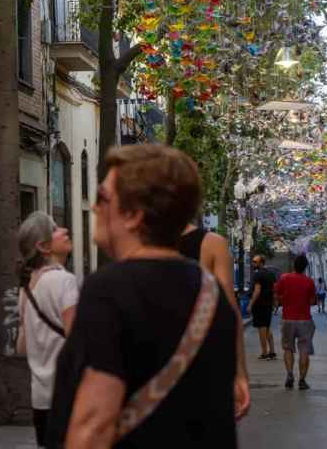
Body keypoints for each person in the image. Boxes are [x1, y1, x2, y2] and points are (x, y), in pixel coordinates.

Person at [47, 144, 238, 448]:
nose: (95, 208)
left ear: (134, 215)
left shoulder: (110, 290)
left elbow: (93, 427)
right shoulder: (211, 292)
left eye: (102, 198)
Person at [17, 212, 79, 448]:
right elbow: (78, 344)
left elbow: (21, 347)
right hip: (68, 395)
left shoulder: (27, 288)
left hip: (41, 399)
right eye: (54, 229)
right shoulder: (64, 281)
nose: (63, 230)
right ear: (43, 247)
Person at [179, 224, 251, 419]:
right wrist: (239, 372)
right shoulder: (211, 244)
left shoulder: (133, 237)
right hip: (199, 357)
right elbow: (228, 310)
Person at [276, 254, 317, 390]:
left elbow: (277, 295)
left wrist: (284, 300)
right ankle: (302, 380)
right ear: (305, 267)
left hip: (287, 319)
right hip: (304, 319)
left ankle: (289, 375)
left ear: (294, 265)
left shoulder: (284, 278)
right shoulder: (309, 281)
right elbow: (312, 301)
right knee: (304, 351)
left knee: (288, 348)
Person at [248, 255, 278, 360]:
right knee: (267, 327)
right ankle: (272, 351)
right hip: (268, 305)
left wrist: (250, 304)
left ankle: (264, 352)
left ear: (261, 263)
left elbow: (257, 291)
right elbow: (274, 290)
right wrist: (275, 303)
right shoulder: (271, 274)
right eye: (253, 261)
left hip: (259, 304)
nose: (253, 263)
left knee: (262, 328)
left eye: (255, 262)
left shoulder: (257, 275)